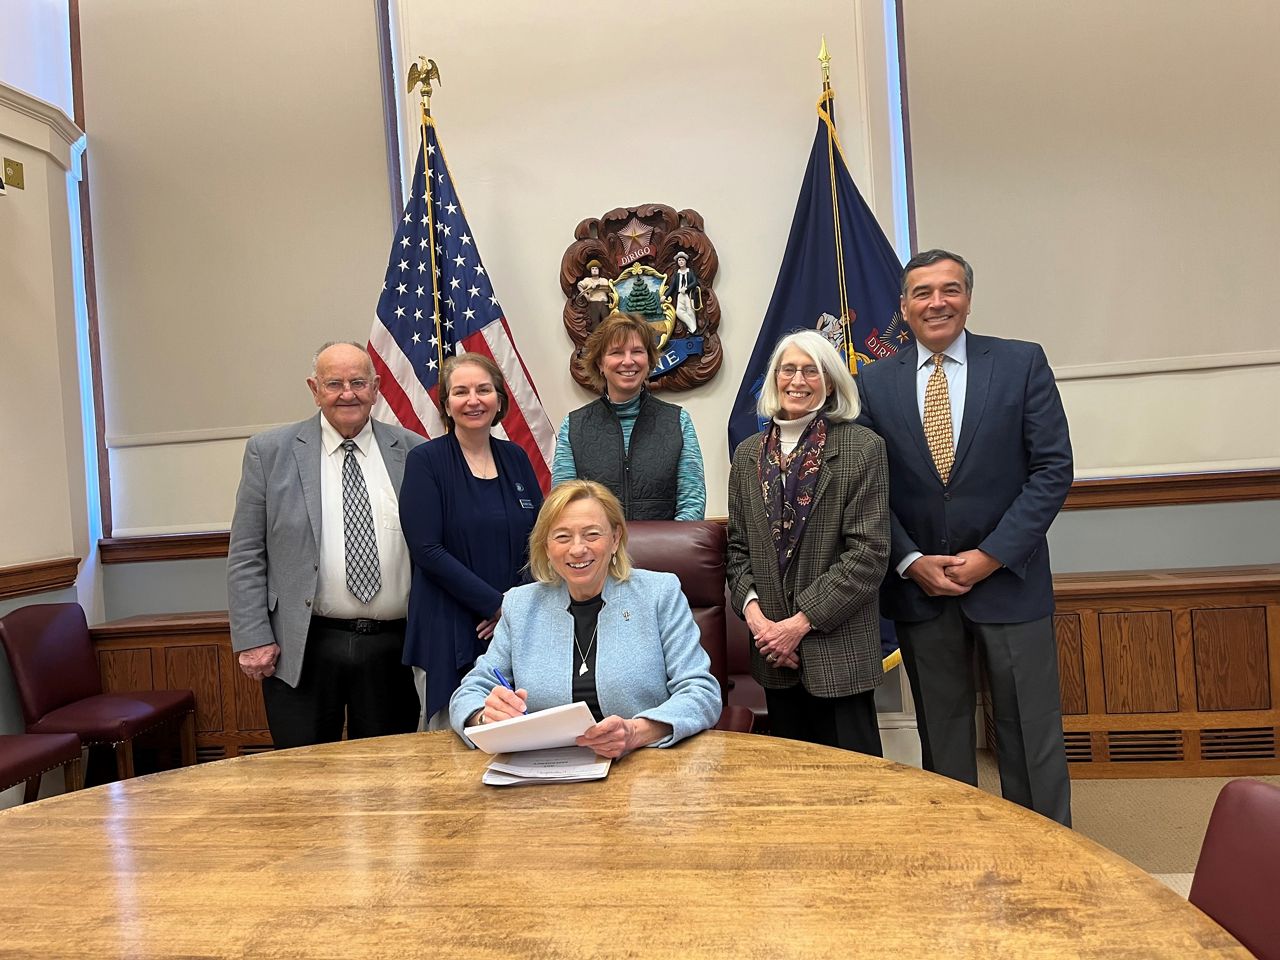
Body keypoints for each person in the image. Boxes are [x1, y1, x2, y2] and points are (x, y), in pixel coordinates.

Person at [856, 248, 1074, 826]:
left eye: (949, 289)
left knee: (1030, 730)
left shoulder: (1021, 363)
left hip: (1010, 582)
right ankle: (961, 846)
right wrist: (909, 560)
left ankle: (1046, 850)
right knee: (944, 735)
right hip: (923, 590)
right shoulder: (873, 384)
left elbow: (1053, 470)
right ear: (903, 307)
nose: (937, 302)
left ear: (968, 299)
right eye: (922, 292)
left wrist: (992, 556)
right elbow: (868, 488)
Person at [228, 341, 424, 749]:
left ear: (377, 387)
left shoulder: (414, 452)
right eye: (334, 383)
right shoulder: (270, 452)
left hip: (393, 647)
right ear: (314, 389)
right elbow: (247, 553)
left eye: (358, 382)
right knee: (303, 779)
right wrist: (252, 637)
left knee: (391, 779)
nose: (347, 393)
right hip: (304, 646)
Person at [449, 481, 721, 757]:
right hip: (545, 772)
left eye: (591, 534)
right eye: (562, 537)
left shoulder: (659, 594)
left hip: (643, 765)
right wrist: (486, 717)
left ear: (615, 539)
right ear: (546, 546)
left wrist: (636, 732)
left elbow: (701, 692)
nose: (577, 549)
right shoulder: (521, 605)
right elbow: (469, 691)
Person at [726, 330, 890, 754]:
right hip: (773, 653)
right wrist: (762, 625)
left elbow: (868, 554)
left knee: (854, 788)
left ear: (830, 382)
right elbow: (738, 550)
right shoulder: (747, 455)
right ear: (774, 379)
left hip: (836, 647)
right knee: (793, 787)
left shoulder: (862, 448)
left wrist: (797, 627)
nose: (797, 380)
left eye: (811, 370)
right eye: (788, 369)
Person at [399, 353, 543, 728]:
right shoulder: (425, 461)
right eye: (460, 392)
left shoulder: (516, 457)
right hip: (447, 625)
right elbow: (426, 549)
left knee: (516, 731)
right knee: (454, 739)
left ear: (499, 399)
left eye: (483, 389)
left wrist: (513, 607)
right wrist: (494, 604)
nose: (473, 400)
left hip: (515, 624)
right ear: (446, 403)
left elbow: (541, 540)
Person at [552, 311, 706, 520]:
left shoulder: (678, 421)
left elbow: (692, 504)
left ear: (649, 360)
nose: (628, 361)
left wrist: (668, 548)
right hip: (598, 551)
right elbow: (565, 506)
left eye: (637, 351)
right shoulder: (574, 426)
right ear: (600, 363)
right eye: (616, 352)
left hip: (664, 550)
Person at [667, 251, 701, 335]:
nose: (681, 262)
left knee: (690, 311)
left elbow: (695, 282)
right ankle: (694, 328)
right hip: (680, 296)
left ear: (685, 261)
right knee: (678, 312)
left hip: (689, 295)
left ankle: (691, 330)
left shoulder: (690, 272)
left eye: (682, 260)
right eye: (679, 260)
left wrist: (686, 288)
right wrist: (665, 296)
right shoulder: (676, 274)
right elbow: (672, 287)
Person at [576, 259, 613, 330]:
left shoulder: (604, 280)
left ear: (599, 270)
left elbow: (609, 290)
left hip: (603, 303)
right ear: (590, 270)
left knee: (606, 321)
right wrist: (586, 295)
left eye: (596, 268)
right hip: (593, 304)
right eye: (593, 268)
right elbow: (579, 285)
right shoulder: (587, 280)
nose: (595, 270)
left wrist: (597, 287)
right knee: (595, 322)